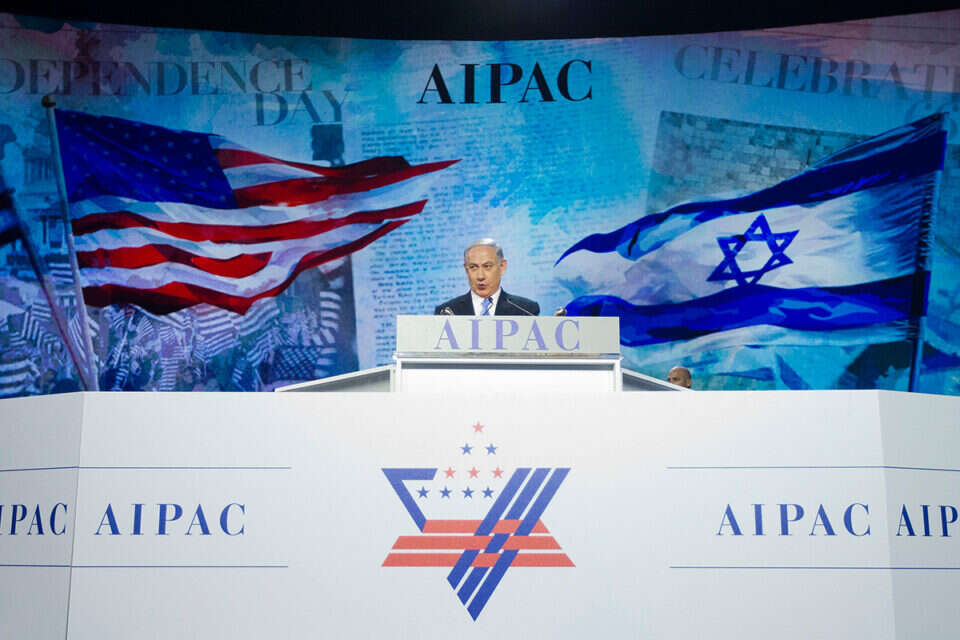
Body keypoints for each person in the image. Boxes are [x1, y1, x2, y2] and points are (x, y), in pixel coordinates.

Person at [434, 239, 540, 316]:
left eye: (487, 266)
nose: (480, 276)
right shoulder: (448, 311)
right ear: (466, 270)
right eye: (473, 267)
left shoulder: (525, 310)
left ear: (502, 267)